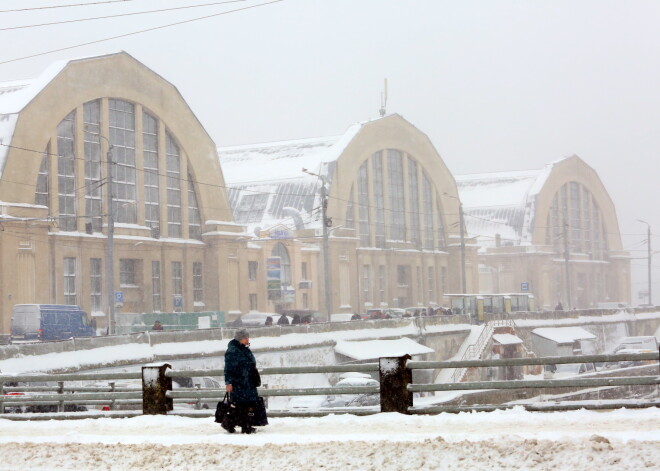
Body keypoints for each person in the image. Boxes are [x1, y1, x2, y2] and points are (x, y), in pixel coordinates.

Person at [224, 328, 262, 434]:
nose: (248, 339)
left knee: (248, 405)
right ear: (240, 339)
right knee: (242, 405)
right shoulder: (233, 351)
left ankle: (246, 425)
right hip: (240, 383)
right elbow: (228, 368)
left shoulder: (243, 348)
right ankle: (240, 425)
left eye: (247, 337)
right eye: (246, 338)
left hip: (248, 382)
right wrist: (229, 382)